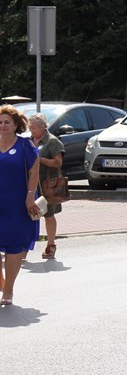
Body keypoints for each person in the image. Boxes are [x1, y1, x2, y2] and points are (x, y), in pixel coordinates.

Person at [0, 105, 42, 306]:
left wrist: (30, 196)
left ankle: (8, 289)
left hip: (17, 204)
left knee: (14, 246)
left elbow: (34, 172)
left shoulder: (25, 145)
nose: (2, 125)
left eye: (7, 122)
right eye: (0, 122)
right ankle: (1, 281)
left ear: (16, 125)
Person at [28, 113, 64, 259]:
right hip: (30, 184)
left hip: (47, 185)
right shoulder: (29, 140)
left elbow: (57, 163)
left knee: (48, 215)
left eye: (33, 128)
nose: (31, 131)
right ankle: (24, 247)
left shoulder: (52, 141)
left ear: (43, 126)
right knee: (28, 215)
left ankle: (51, 245)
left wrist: (40, 159)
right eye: (30, 128)